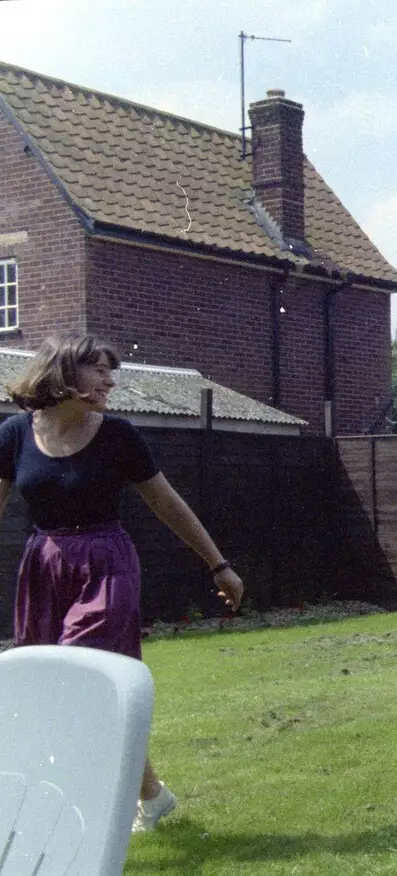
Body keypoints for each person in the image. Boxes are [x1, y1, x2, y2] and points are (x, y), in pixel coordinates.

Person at [0, 335, 245, 831]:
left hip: (105, 565)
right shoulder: (13, 435)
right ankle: (151, 795)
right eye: (99, 371)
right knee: (53, 687)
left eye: (113, 372)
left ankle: (80, 805)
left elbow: (166, 503)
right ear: (64, 375)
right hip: (44, 566)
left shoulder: (118, 436)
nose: (111, 381)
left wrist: (218, 564)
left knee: (85, 679)